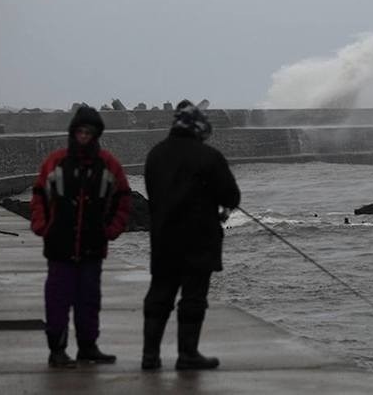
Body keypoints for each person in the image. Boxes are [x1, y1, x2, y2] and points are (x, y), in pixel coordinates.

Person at [141, 99, 240, 371]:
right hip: (199, 240)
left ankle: (150, 356)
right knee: (193, 299)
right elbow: (231, 195)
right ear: (199, 128)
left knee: (159, 296)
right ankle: (187, 355)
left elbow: (154, 195)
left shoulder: (156, 155)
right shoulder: (208, 157)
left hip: (163, 240)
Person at [30, 105, 131, 368]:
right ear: (73, 132)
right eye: (80, 131)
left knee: (89, 300)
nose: (84, 136)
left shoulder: (109, 165)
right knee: (58, 300)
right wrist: (43, 226)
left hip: (92, 247)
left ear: (97, 135)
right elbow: (39, 195)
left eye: (89, 132)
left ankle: (88, 348)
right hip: (59, 246)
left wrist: (112, 230)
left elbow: (123, 199)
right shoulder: (56, 162)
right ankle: (57, 350)